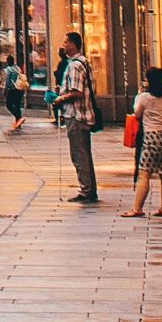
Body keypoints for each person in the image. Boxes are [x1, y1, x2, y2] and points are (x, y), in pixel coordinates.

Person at [123, 67, 162, 218]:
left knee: (144, 174)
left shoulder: (145, 97)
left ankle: (137, 208)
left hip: (150, 137)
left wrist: (139, 95)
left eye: (147, 79)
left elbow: (137, 113)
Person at [54, 32, 99, 203]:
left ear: (72, 44)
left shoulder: (74, 66)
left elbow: (77, 92)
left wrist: (60, 98)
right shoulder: (84, 62)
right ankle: (89, 188)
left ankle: (86, 189)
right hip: (83, 114)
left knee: (79, 154)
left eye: (66, 42)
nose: (63, 45)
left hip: (76, 114)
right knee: (84, 153)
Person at [2, 55, 27, 131]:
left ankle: (19, 118)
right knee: (17, 105)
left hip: (12, 89)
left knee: (8, 105)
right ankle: (18, 123)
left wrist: (5, 90)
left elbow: (7, 81)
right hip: (19, 89)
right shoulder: (18, 68)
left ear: (8, 61)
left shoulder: (8, 70)